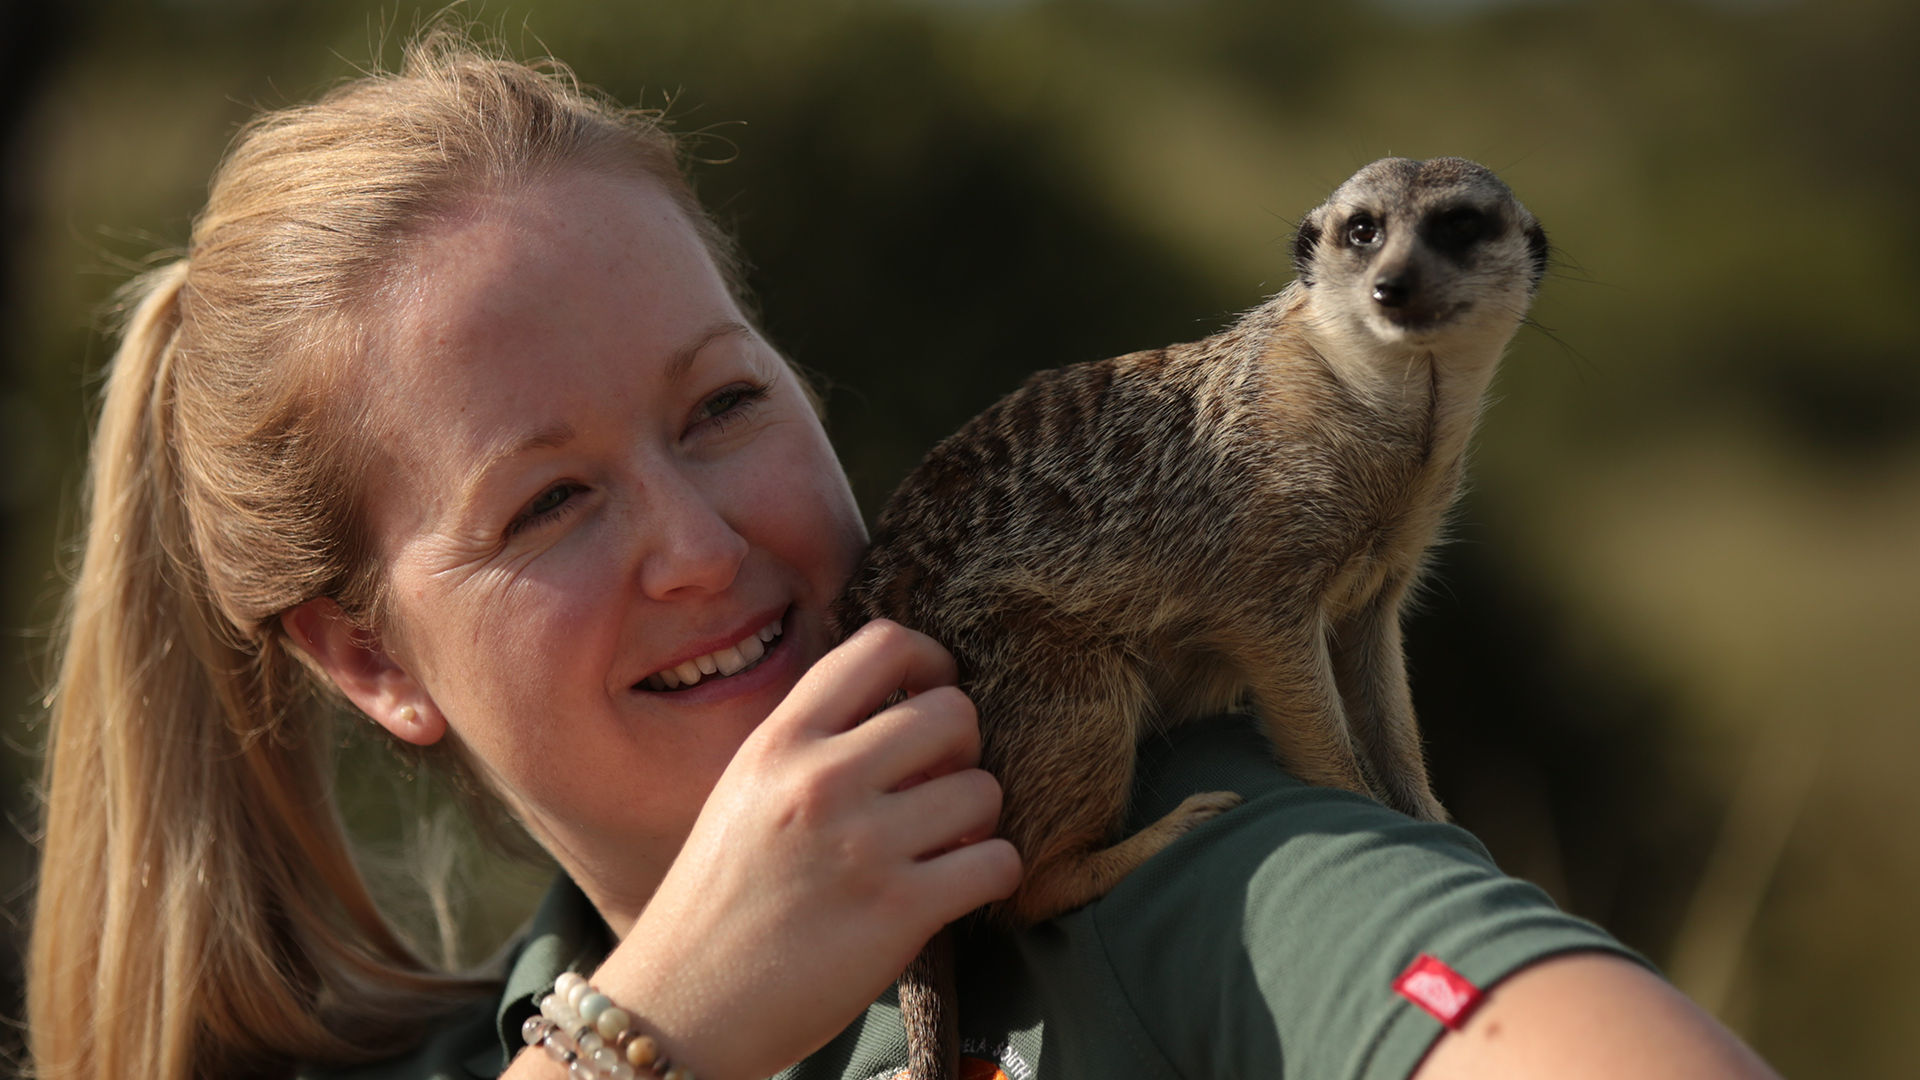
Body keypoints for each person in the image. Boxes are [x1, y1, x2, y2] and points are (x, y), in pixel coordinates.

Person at [25, 29, 1780, 1080]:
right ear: (366, 657)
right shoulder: (430, 1055)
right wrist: (652, 1031)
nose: (698, 545)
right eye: (546, 504)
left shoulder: (1202, 878)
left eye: (722, 406)